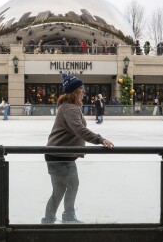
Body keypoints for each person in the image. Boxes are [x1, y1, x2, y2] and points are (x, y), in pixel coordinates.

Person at [41, 73, 114, 224]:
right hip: (58, 155)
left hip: (64, 154)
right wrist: (100, 139)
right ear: (75, 91)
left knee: (72, 185)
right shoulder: (69, 108)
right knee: (60, 190)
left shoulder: (71, 107)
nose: (84, 90)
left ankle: (67, 216)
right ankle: (49, 219)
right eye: (81, 88)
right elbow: (79, 129)